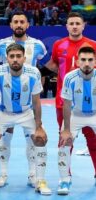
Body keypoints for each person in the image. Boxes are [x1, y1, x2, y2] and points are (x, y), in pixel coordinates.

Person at [0, 43, 51, 195]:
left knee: (40, 139)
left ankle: (38, 179)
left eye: (18, 56)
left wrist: (39, 126)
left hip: (26, 112)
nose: (15, 60)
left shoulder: (34, 72)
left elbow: (36, 102)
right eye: (12, 56)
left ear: (24, 58)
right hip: (5, 112)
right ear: (6, 58)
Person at [0, 11, 47, 188]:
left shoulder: (38, 45)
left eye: (22, 21)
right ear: (10, 25)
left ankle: (33, 175)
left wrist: (38, 89)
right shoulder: (1, 45)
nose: (19, 24)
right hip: (5, 102)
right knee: (4, 140)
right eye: (15, 22)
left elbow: (43, 68)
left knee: (31, 140)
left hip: (27, 103)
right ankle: (3, 174)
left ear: (27, 25)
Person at [44, 12, 96, 186]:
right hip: (64, 102)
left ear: (83, 26)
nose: (74, 26)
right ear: (66, 26)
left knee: (93, 142)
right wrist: (65, 75)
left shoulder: (93, 45)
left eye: (77, 23)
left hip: (90, 104)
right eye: (71, 23)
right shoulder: (59, 45)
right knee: (65, 140)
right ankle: (65, 177)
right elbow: (53, 64)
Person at [58, 45, 96, 195]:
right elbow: (66, 104)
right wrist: (66, 130)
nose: (87, 63)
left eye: (90, 60)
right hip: (76, 114)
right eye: (83, 60)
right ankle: (64, 179)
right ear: (77, 61)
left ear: (94, 61)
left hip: (95, 114)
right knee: (63, 143)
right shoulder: (69, 78)